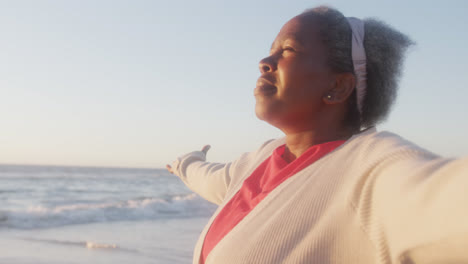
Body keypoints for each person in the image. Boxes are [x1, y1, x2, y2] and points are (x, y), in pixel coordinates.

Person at [167, 6, 468, 264]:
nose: (264, 62)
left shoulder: (370, 172)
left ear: (338, 86)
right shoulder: (258, 161)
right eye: (271, 49)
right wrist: (187, 161)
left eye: (287, 50)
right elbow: (207, 176)